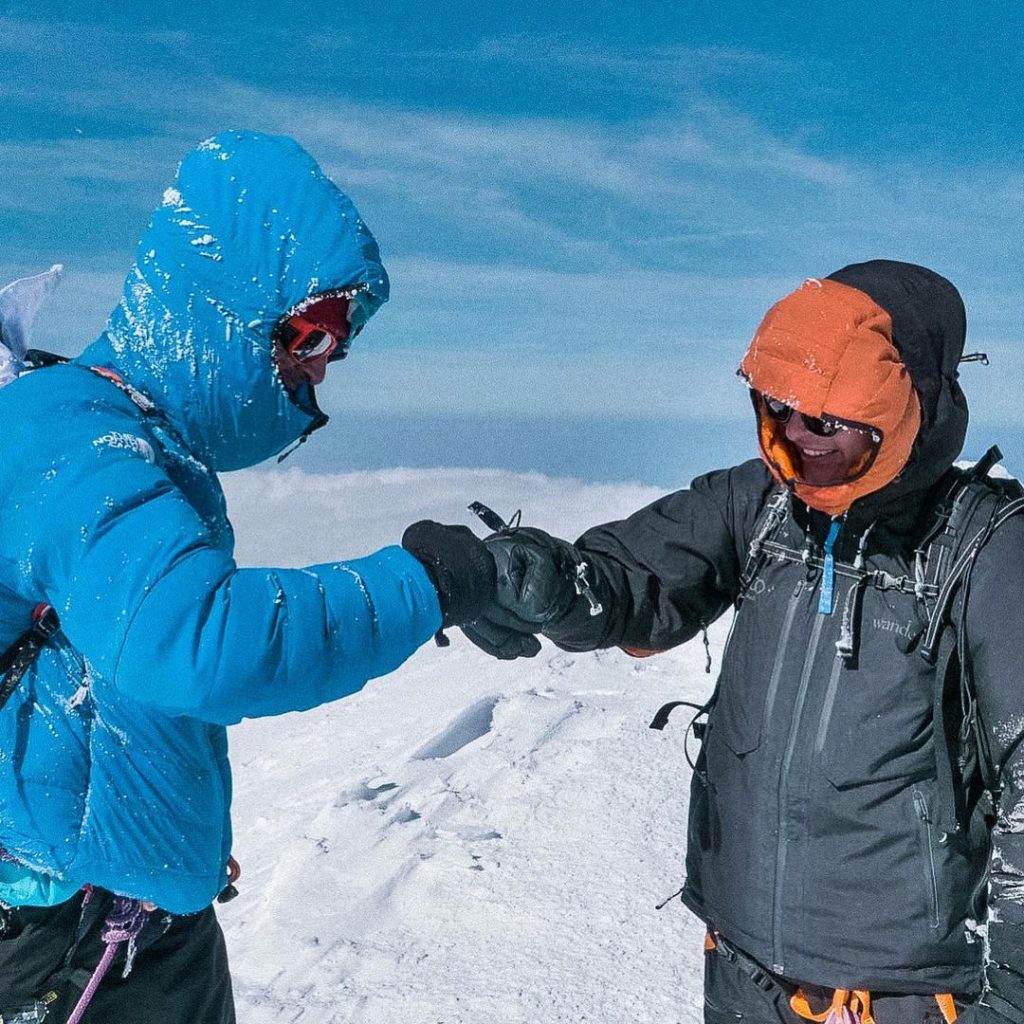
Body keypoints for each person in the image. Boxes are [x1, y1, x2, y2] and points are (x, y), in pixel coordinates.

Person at [416, 261, 1024, 1023]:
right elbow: (625, 580)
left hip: (908, 995)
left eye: (825, 420)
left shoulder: (988, 549)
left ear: (911, 405)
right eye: (779, 407)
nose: (795, 438)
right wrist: (511, 576)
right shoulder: (759, 504)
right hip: (743, 971)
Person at [0, 131, 492, 1023]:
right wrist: (427, 584)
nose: (317, 367)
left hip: (140, 923)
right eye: (306, 332)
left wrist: (180, 823)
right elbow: (194, 646)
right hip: (50, 944)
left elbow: (105, 677)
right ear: (214, 302)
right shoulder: (73, 435)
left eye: (336, 346)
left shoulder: (143, 445)